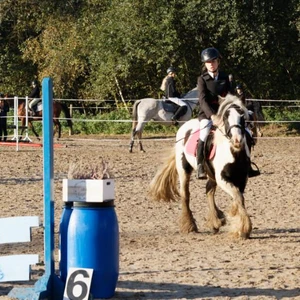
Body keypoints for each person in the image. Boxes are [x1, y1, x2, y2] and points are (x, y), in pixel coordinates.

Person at [196, 47, 259, 179]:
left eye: (213, 61)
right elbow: (202, 100)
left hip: (225, 113)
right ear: (205, 64)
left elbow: (231, 97)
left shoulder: (226, 77)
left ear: (218, 62)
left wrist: (237, 109)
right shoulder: (202, 79)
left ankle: (247, 164)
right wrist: (212, 116)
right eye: (208, 62)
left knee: (245, 132)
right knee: (204, 133)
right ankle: (200, 166)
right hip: (208, 114)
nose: (211, 64)